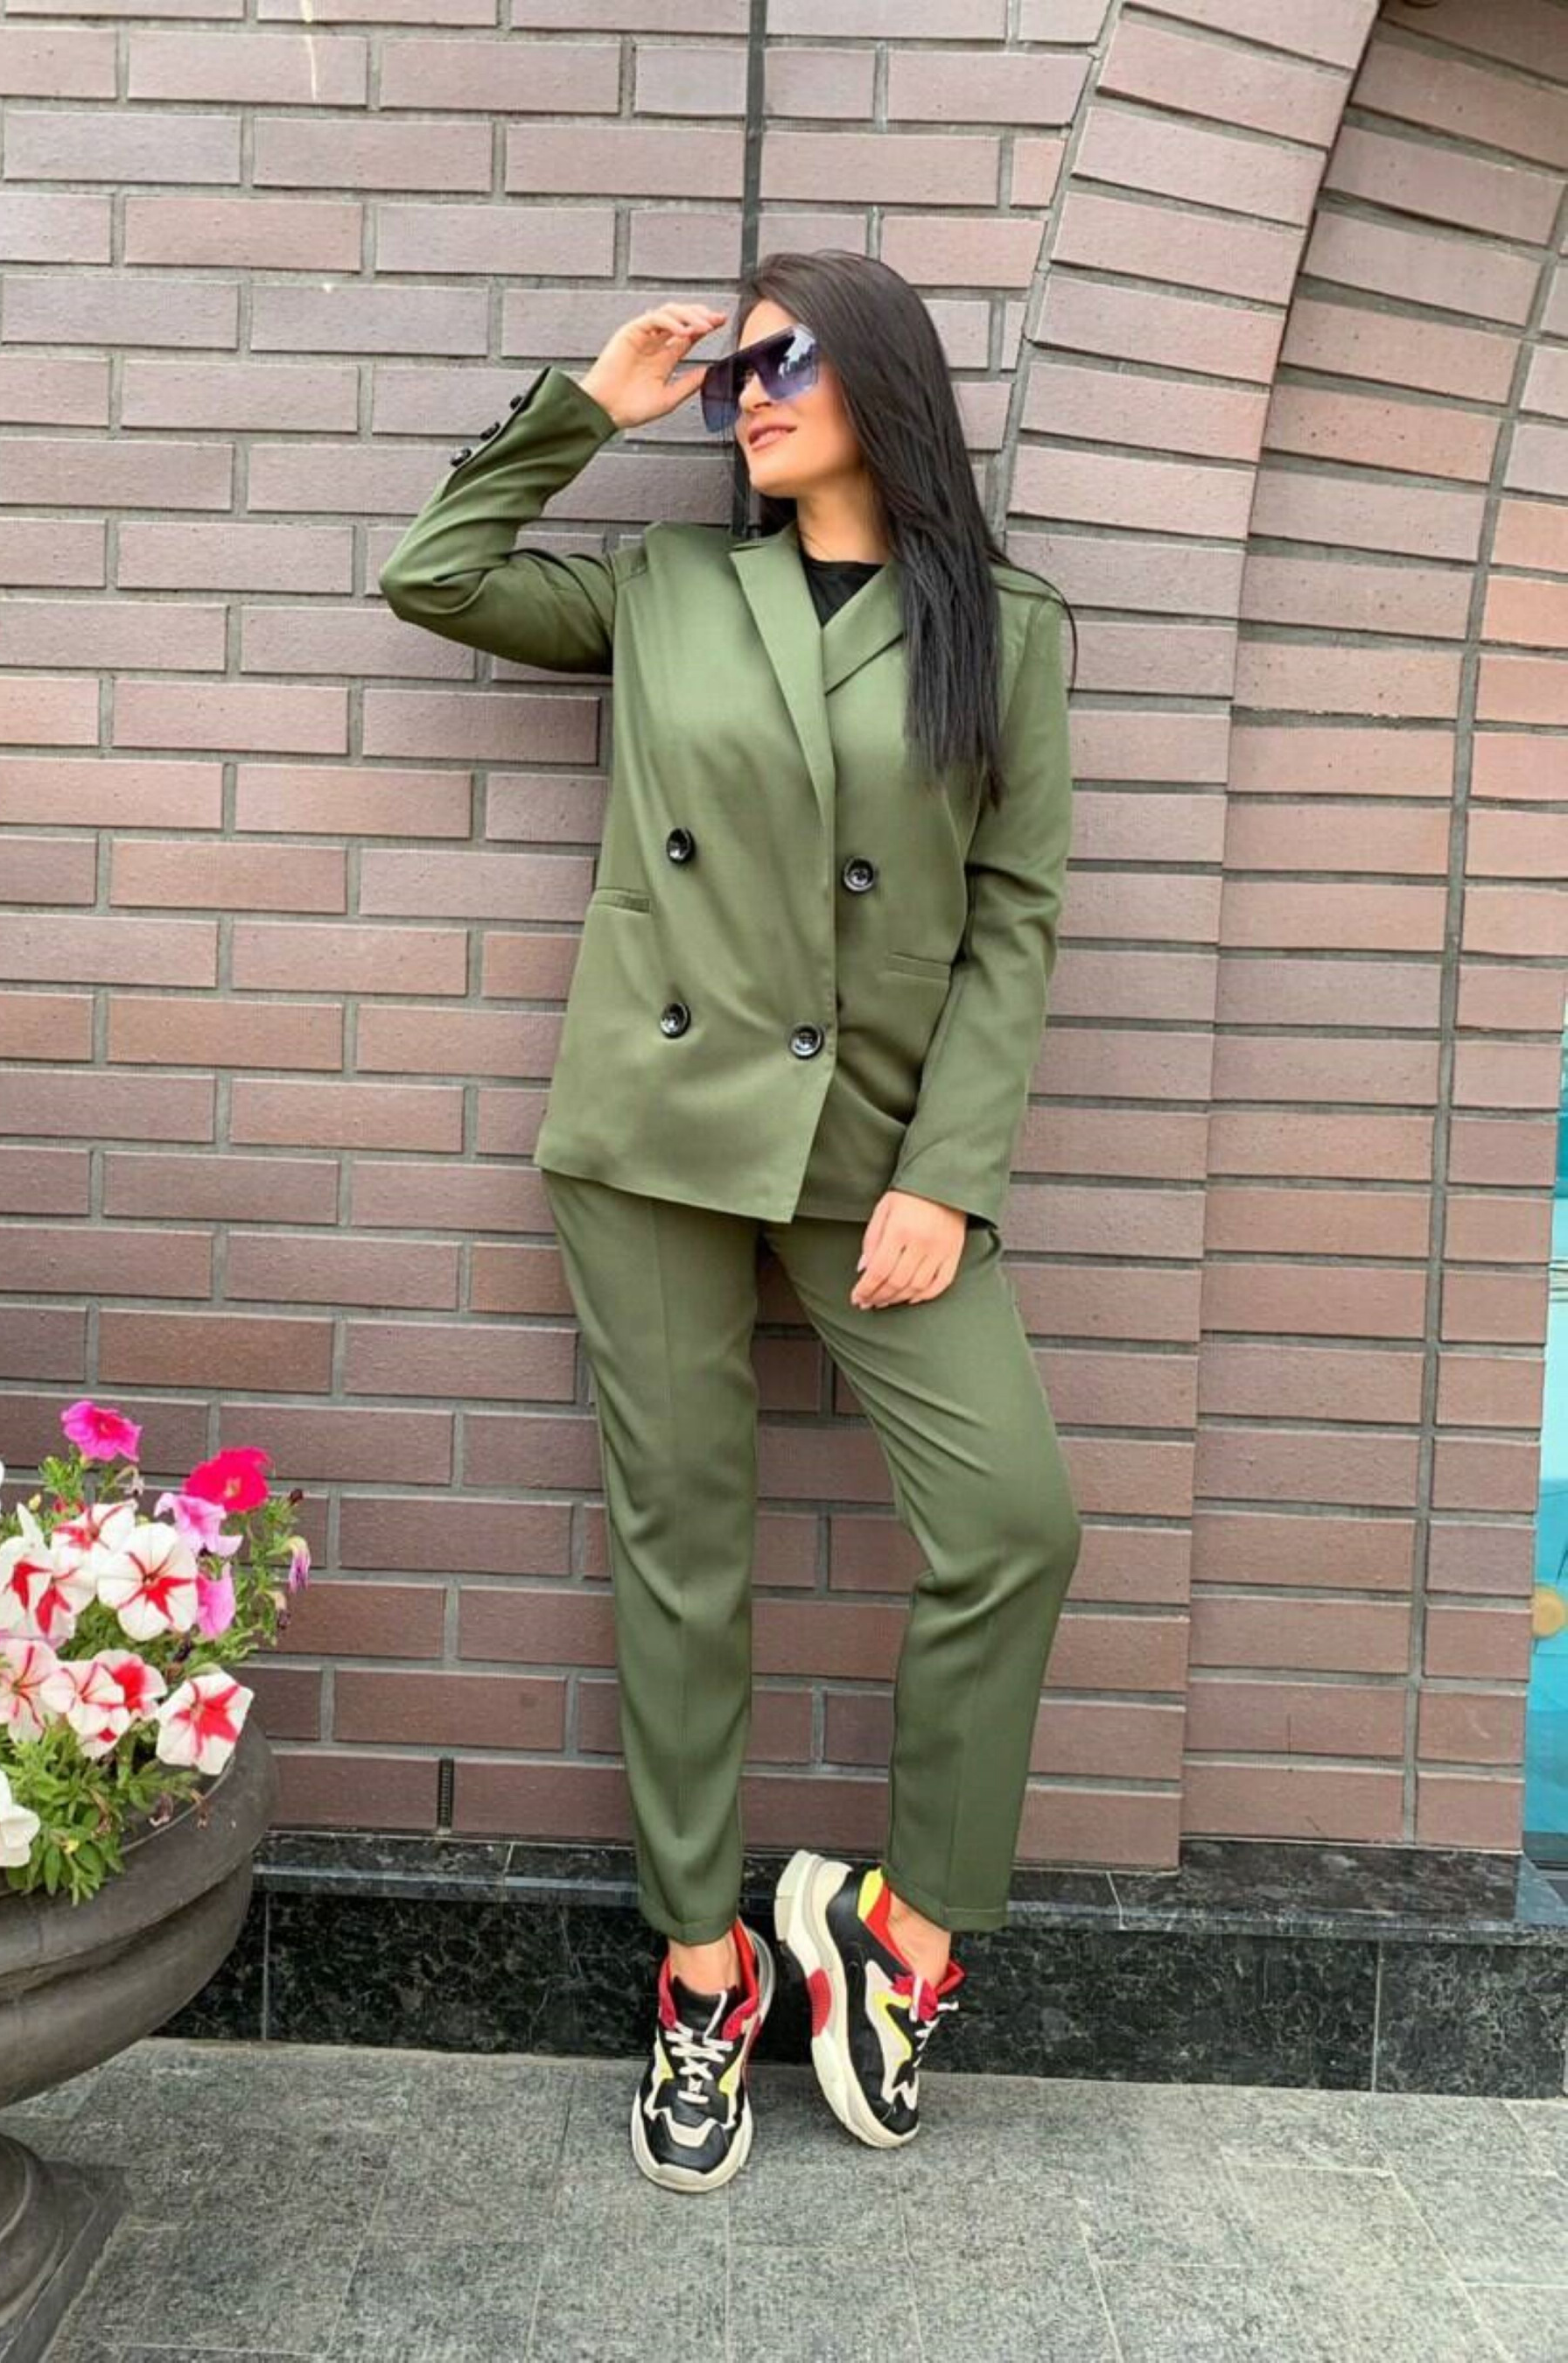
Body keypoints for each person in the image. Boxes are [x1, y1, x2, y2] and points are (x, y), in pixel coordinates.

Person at [379, 250, 1082, 2197]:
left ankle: (898, 1934)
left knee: (1012, 1524)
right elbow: (434, 574)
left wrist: (948, 1172)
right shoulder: (668, 588)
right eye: (726, 378)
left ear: (882, 379)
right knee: (682, 1554)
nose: (746, 395)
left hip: (872, 1154)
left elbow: (1013, 917)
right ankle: (703, 1971)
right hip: (657, 1135)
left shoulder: (1004, 627)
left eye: (782, 362)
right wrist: (584, 410)